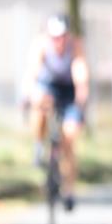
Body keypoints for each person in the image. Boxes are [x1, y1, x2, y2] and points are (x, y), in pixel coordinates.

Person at [25, 16, 89, 211]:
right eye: (54, 37)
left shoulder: (75, 46)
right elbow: (31, 75)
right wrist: (34, 94)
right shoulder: (41, 46)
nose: (58, 42)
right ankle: (38, 144)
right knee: (39, 107)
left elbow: (81, 76)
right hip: (48, 88)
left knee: (69, 140)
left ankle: (68, 190)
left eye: (62, 37)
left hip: (69, 92)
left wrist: (80, 102)